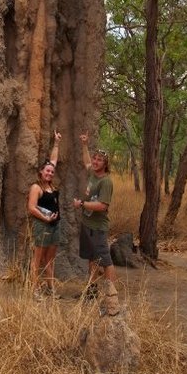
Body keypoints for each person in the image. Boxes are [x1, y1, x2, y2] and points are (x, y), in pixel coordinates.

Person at [73, 132, 120, 315]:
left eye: (100, 159)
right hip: (87, 225)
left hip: (98, 229)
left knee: (106, 262)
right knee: (92, 260)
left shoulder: (106, 182)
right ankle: (91, 293)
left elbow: (102, 205)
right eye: (95, 158)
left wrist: (82, 204)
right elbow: (86, 162)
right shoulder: (92, 174)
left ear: (105, 164)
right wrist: (85, 145)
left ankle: (112, 298)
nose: (95, 161)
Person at [27, 130, 62, 299]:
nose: (49, 173)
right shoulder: (36, 188)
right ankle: (35, 290)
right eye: (47, 171)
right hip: (42, 225)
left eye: (51, 172)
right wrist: (46, 218)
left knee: (50, 259)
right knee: (37, 259)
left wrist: (56, 143)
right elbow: (31, 208)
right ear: (41, 172)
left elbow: (53, 161)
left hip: (55, 225)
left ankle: (50, 287)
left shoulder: (51, 187)